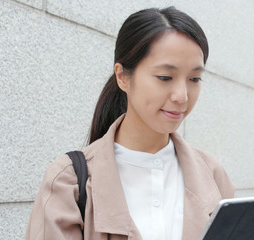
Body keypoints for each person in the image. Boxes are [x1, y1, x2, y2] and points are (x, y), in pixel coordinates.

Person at [25, 7, 234, 240]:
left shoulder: (213, 175)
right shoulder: (69, 182)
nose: (182, 96)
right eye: (165, 77)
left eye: (194, 78)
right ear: (123, 76)